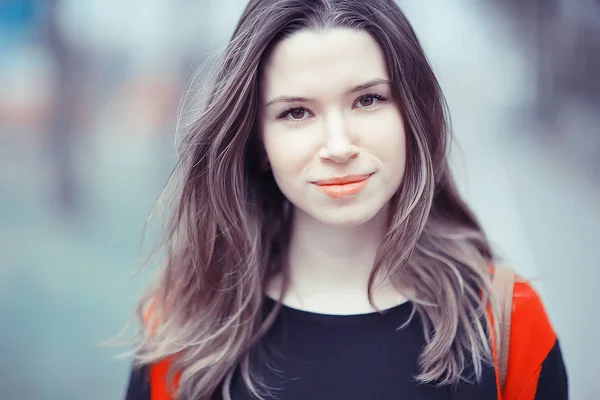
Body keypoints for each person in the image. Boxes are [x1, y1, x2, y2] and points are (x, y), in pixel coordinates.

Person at [123, 0, 568, 399]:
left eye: (368, 100)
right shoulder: (178, 331)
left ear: (413, 116)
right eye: (296, 112)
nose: (338, 146)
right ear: (258, 142)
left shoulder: (509, 324)